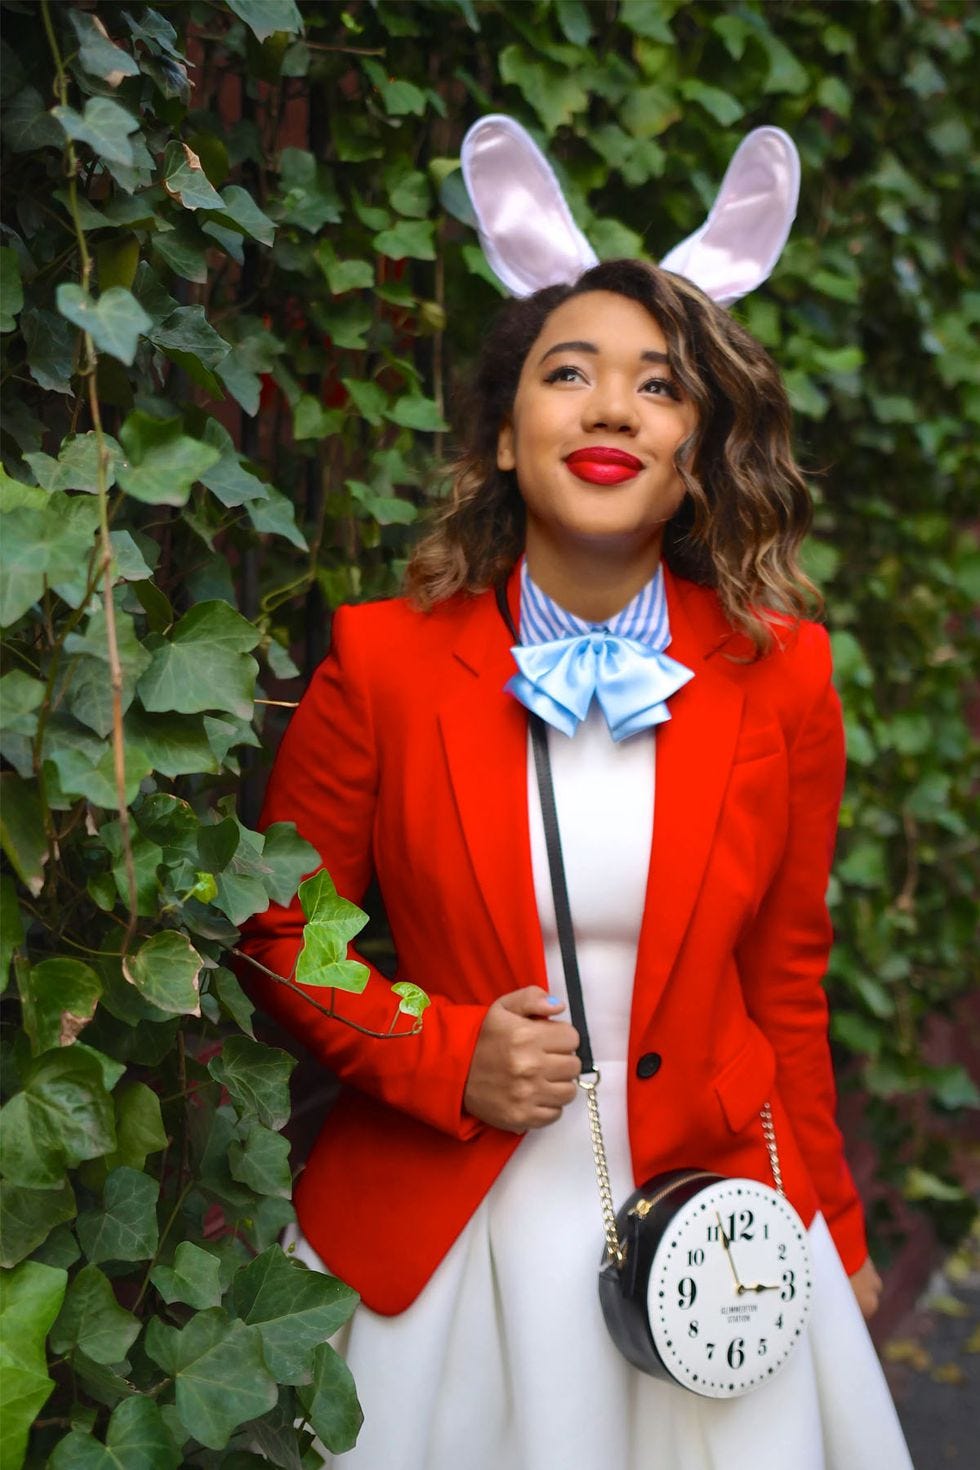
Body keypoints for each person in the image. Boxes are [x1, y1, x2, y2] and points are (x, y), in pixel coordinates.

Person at [240, 254, 914, 1469]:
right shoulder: (384, 663)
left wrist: (839, 1230)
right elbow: (284, 930)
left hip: (709, 1236)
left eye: (657, 388)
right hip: (450, 1234)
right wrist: (443, 1050)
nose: (610, 408)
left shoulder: (785, 679)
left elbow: (784, 978)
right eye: (568, 374)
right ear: (505, 437)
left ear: (693, 456)